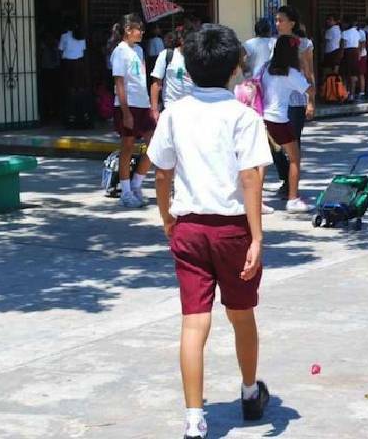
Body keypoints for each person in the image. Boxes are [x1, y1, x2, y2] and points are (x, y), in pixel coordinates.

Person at [146, 23, 272, 439]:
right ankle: (251, 391)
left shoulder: (173, 114)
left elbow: (162, 174)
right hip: (232, 228)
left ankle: (195, 418)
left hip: (189, 227)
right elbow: (251, 178)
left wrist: (166, 217)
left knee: (193, 322)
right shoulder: (243, 116)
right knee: (241, 315)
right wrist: (256, 237)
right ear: (236, 66)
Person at [262, 33, 314, 212]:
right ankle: (292, 198)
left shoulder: (266, 68)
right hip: (279, 119)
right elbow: (309, 88)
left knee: (261, 161)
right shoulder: (290, 73)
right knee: (295, 158)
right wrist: (306, 67)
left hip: (262, 118)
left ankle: (257, 200)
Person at [110, 13, 156, 208]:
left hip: (142, 104)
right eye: (140, 29)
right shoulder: (120, 52)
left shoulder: (138, 50)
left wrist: (150, 106)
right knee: (127, 147)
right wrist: (126, 112)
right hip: (127, 105)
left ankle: (137, 183)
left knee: (154, 145)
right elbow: (119, 83)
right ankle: (126, 191)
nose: (142, 32)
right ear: (129, 30)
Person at [272, 7, 316, 200]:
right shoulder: (271, 43)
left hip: (296, 99)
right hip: (275, 100)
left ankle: (290, 183)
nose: (277, 24)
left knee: (293, 142)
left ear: (292, 23)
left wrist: (311, 102)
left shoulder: (304, 44)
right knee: (274, 145)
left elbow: (308, 72)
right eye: (276, 20)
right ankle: (285, 176)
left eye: (281, 20)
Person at [150, 28, 193, 116]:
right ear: (182, 40)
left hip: (192, 110)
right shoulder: (167, 55)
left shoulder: (197, 58)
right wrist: (154, 110)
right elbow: (156, 83)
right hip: (171, 108)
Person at [59, 20, 88, 90]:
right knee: (78, 80)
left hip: (67, 61)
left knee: (68, 81)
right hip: (79, 61)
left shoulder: (64, 36)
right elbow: (84, 50)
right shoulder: (81, 36)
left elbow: (60, 49)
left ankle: (69, 95)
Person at [340, 16, 361, 101]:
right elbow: (359, 44)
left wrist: (340, 55)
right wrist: (359, 54)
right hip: (355, 53)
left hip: (347, 53)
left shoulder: (344, 33)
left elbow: (342, 45)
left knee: (345, 75)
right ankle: (352, 94)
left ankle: (345, 94)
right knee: (353, 75)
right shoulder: (356, 32)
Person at [357, 22, 368, 101]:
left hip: (361, 55)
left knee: (361, 74)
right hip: (358, 54)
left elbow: (362, 44)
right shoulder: (359, 32)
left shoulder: (361, 32)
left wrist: (359, 55)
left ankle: (362, 92)